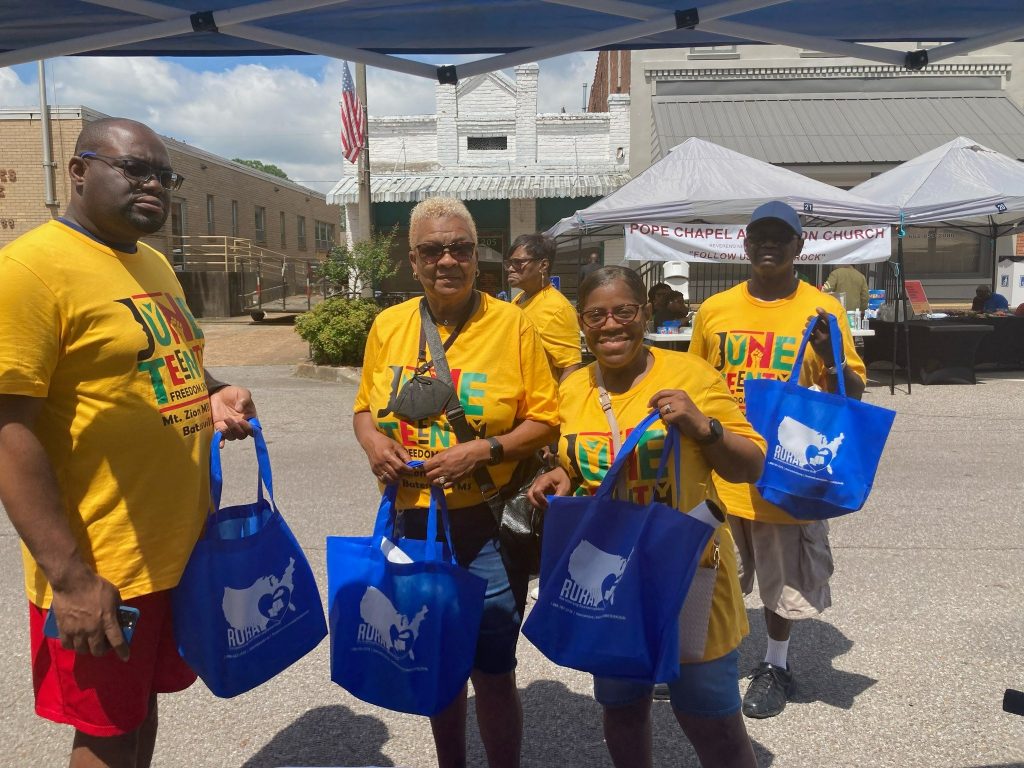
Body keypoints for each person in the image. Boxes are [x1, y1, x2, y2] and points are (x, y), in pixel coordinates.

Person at [0, 117, 257, 768]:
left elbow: (167, 365)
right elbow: (8, 431)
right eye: (134, 169)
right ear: (78, 172)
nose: (154, 185)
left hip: (172, 552)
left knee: (140, 712)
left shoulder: (153, 263)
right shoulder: (29, 270)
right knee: (105, 731)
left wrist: (212, 391)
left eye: (164, 176)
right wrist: (72, 577)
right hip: (102, 562)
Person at [527, 265, 766, 768]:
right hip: (609, 580)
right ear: (581, 323)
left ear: (646, 313)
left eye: (624, 311)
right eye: (596, 315)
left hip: (687, 572)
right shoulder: (571, 390)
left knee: (713, 721)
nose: (611, 325)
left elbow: (752, 465)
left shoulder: (691, 376)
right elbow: (577, 464)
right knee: (624, 708)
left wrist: (704, 427)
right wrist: (560, 477)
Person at [352, 197, 559, 768]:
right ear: (413, 260)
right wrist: (374, 444)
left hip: (486, 523)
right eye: (432, 250)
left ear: (477, 256)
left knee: (493, 669)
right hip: (412, 522)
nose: (448, 260)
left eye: (460, 248)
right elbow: (364, 410)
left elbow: (545, 418)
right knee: (435, 660)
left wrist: (484, 450)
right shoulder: (388, 326)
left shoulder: (514, 325)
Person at [688, 201, 866, 720]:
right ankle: (695, 655)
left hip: (786, 467)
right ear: (745, 245)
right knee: (706, 570)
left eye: (780, 237)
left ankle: (775, 663)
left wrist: (829, 355)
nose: (769, 245)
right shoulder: (716, 309)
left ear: (798, 247)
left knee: (780, 579)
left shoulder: (822, 309)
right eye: (759, 236)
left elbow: (852, 392)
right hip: (721, 462)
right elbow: (698, 381)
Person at [506, 233, 583, 382]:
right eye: (509, 262)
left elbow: (570, 368)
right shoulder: (520, 298)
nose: (510, 268)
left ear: (543, 265)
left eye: (518, 262)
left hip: (541, 402)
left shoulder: (558, 308)